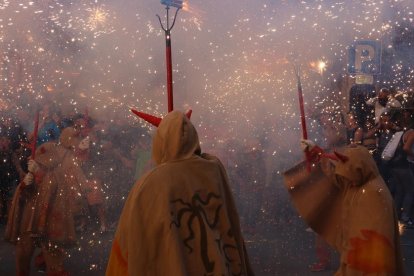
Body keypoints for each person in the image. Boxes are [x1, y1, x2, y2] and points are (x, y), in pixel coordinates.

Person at [106, 111, 254, 276]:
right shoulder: (214, 169)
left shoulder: (150, 184)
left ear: (160, 141)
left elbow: (131, 242)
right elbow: (230, 222)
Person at [285, 142, 405, 275]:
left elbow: (374, 249)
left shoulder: (374, 194)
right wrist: (316, 152)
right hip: (352, 261)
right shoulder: (357, 179)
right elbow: (336, 175)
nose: (347, 181)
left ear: (360, 170)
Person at [5, 133, 88, 275]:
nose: (37, 163)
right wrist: (25, 185)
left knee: (54, 262)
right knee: (23, 257)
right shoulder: (34, 173)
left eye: (41, 162)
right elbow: (22, 196)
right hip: (29, 221)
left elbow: (54, 188)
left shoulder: (56, 175)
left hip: (50, 224)